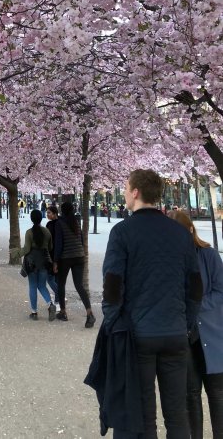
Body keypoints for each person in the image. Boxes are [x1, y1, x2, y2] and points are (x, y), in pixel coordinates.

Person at [102, 169, 202, 439]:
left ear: (136, 192)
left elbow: (112, 287)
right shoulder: (180, 234)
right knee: (177, 414)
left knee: (144, 415)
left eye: (125, 187)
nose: (123, 192)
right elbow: (195, 288)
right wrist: (186, 323)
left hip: (139, 337)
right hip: (174, 333)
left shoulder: (122, 232)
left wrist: (114, 324)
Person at [169, 210, 223, 439]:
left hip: (212, 333)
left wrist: (193, 305)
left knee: (217, 393)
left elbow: (220, 291)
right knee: (191, 394)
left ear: (190, 230)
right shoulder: (168, 261)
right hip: (185, 335)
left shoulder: (208, 255)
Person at [53, 201, 95, 327]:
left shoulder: (59, 223)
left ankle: (63, 312)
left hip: (66, 257)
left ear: (62, 210)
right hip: (79, 256)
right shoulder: (76, 222)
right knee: (79, 286)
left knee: (61, 284)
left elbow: (59, 244)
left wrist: (55, 261)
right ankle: (89, 314)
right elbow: (81, 240)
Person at [21, 209, 56, 320]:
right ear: (41, 218)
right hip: (44, 261)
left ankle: (34, 312)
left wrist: (16, 252)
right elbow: (50, 247)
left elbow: (26, 249)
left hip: (32, 262)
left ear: (31, 219)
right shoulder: (46, 232)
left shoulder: (29, 232)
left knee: (33, 286)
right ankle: (50, 304)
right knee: (42, 285)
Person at [45, 205, 60, 305]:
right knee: (54, 278)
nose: (47, 214)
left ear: (55, 213)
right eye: (47, 213)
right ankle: (58, 299)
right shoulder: (49, 224)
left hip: (54, 254)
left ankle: (59, 295)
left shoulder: (55, 224)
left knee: (50, 278)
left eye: (49, 213)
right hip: (53, 253)